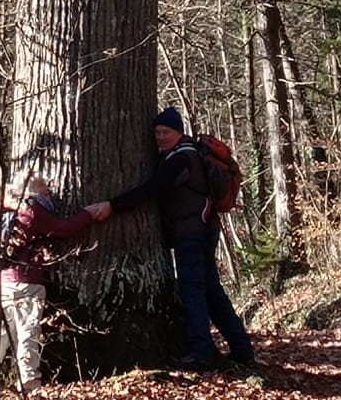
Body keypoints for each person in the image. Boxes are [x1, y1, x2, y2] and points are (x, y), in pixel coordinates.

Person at [97, 105, 256, 372]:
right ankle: (242, 349)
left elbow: (152, 188)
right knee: (211, 291)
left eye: (166, 132)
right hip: (203, 229)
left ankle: (201, 353)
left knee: (193, 290)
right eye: (157, 132)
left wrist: (113, 205)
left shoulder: (181, 158)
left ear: (178, 132)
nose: (160, 137)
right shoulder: (185, 154)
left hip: (192, 234)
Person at [0, 179, 109, 398]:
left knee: (1, 331)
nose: (50, 196)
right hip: (28, 282)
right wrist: (87, 213)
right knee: (28, 331)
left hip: (4, 282)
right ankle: (29, 382)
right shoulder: (32, 212)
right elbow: (63, 229)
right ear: (33, 192)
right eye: (46, 191)